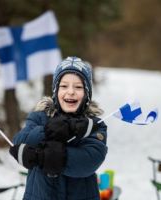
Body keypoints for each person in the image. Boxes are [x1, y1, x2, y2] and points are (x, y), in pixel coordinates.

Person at [9, 56, 108, 200]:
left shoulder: (93, 124)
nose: (71, 91)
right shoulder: (40, 117)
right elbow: (20, 141)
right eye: (64, 86)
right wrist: (47, 130)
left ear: (87, 94)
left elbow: (90, 159)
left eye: (78, 87)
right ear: (56, 90)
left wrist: (41, 157)